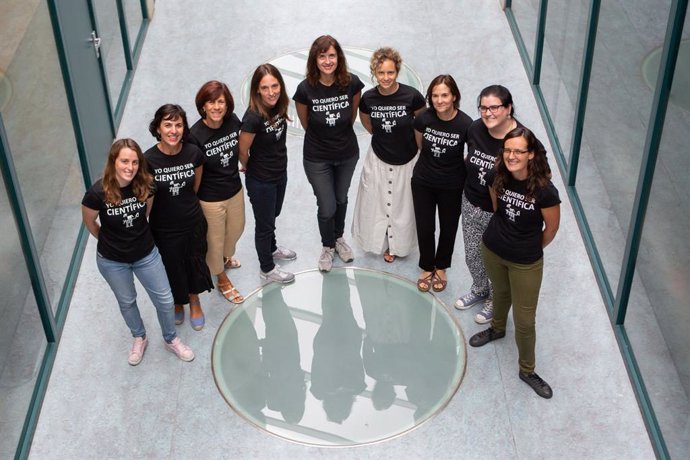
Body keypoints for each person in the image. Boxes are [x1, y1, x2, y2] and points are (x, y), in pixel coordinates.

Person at [81, 139, 194, 364]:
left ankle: (170, 338)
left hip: (146, 254)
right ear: (114, 162)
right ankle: (139, 337)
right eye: (124, 161)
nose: (130, 167)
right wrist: (113, 242)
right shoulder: (97, 193)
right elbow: (90, 223)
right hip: (112, 261)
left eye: (134, 162)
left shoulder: (146, 185)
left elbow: (146, 214)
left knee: (164, 299)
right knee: (127, 302)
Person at [468, 126, 560, 399]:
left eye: (519, 151)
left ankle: (527, 369)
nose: (511, 156)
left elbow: (551, 230)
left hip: (526, 262)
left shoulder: (545, 190)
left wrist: (527, 247)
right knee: (500, 294)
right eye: (508, 150)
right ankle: (496, 329)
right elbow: (498, 208)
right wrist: (506, 239)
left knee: (524, 319)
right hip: (493, 249)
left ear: (531, 154)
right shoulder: (497, 175)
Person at [293, 35, 364, 272]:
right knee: (327, 205)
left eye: (331, 55)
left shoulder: (351, 83)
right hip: (317, 156)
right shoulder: (305, 89)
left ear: (339, 58)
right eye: (322, 56)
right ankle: (327, 246)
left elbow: (351, 116)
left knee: (341, 198)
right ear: (315, 59)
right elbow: (306, 123)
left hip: (346, 153)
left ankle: (339, 238)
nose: (327, 61)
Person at [352, 47, 426, 263]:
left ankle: (396, 246)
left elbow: (422, 124)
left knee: (403, 206)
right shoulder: (368, 98)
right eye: (381, 73)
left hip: (408, 159)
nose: (386, 77)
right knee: (376, 203)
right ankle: (378, 240)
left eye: (391, 73)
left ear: (397, 72)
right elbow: (367, 123)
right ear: (374, 72)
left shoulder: (412, 96)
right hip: (379, 158)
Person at [455, 85, 520, 324]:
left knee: (496, 260)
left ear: (508, 108)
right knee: (472, 255)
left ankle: (496, 299)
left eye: (494, 107)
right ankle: (480, 289)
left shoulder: (520, 138)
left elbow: (541, 175)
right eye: (483, 107)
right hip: (471, 202)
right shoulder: (475, 129)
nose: (488, 113)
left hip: (499, 214)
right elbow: (468, 156)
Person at [145, 104, 213, 331]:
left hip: (192, 222)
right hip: (163, 228)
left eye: (178, 125)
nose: (173, 130)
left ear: (184, 128)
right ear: (158, 128)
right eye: (167, 125)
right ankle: (178, 301)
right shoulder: (148, 160)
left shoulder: (193, 153)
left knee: (194, 263)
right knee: (171, 265)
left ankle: (194, 300)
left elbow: (195, 187)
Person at [411, 75, 472, 292]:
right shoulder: (423, 119)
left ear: (454, 96)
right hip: (423, 181)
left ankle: (442, 266)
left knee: (448, 227)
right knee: (425, 226)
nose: (439, 100)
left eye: (444, 95)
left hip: (452, 185)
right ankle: (427, 266)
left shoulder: (466, 124)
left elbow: (471, 154)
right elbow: (420, 144)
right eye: (435, 96)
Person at [188, 80, 245, 304]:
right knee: (214, 239)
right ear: (203, 106)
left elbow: (241, 147)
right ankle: (221, 278)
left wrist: (246, 162)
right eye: (210, 102)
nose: (216, 107)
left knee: (236, 230)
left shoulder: (232, 121)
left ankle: (222, 258)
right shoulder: (195, 135)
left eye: (220, 102)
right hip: (210, 198)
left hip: (234, 189)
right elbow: (195, 171)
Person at [239, 63, 296, 284]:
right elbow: (242, 150)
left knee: (273, 215)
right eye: (265, 88)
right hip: (261, 180)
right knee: (264, 225)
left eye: (275, 86)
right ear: (257, 91)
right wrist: (250, 166)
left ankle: (272, 248)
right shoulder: (253, 117)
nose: (271, 92)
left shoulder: (279, 105)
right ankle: (267, 267)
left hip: (279, 172)